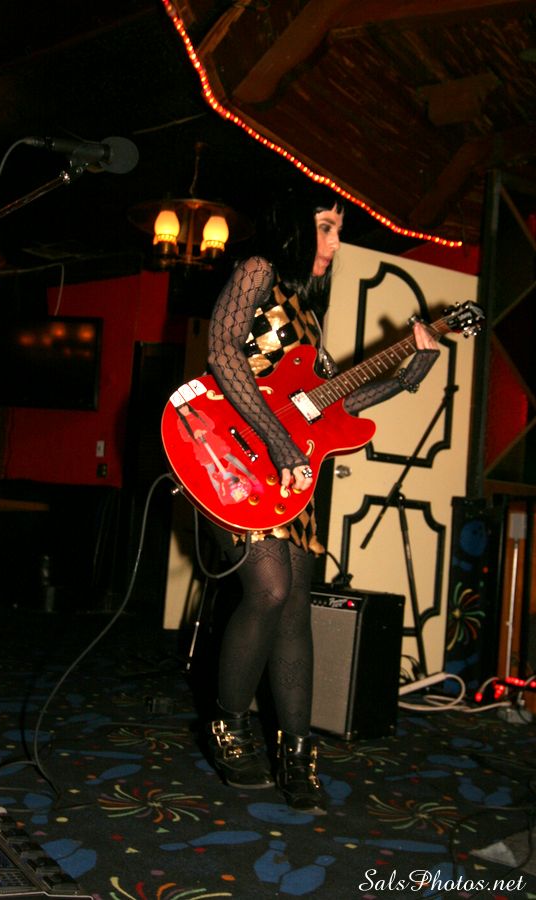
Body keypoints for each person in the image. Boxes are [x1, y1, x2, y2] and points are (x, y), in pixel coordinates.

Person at [204, 187, 439, 815]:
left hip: (290, 472)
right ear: (293, 224)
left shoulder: (309, 315)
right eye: (327, 227)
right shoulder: (258, 270)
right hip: (229, 453)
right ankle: (228, 727)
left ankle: (297, 752)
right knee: (270, 590)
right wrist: (280, 442)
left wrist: (406, 377)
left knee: (294, 610)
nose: (336, 243)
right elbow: (222, 351)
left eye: (338, 230)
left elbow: (334, 405)